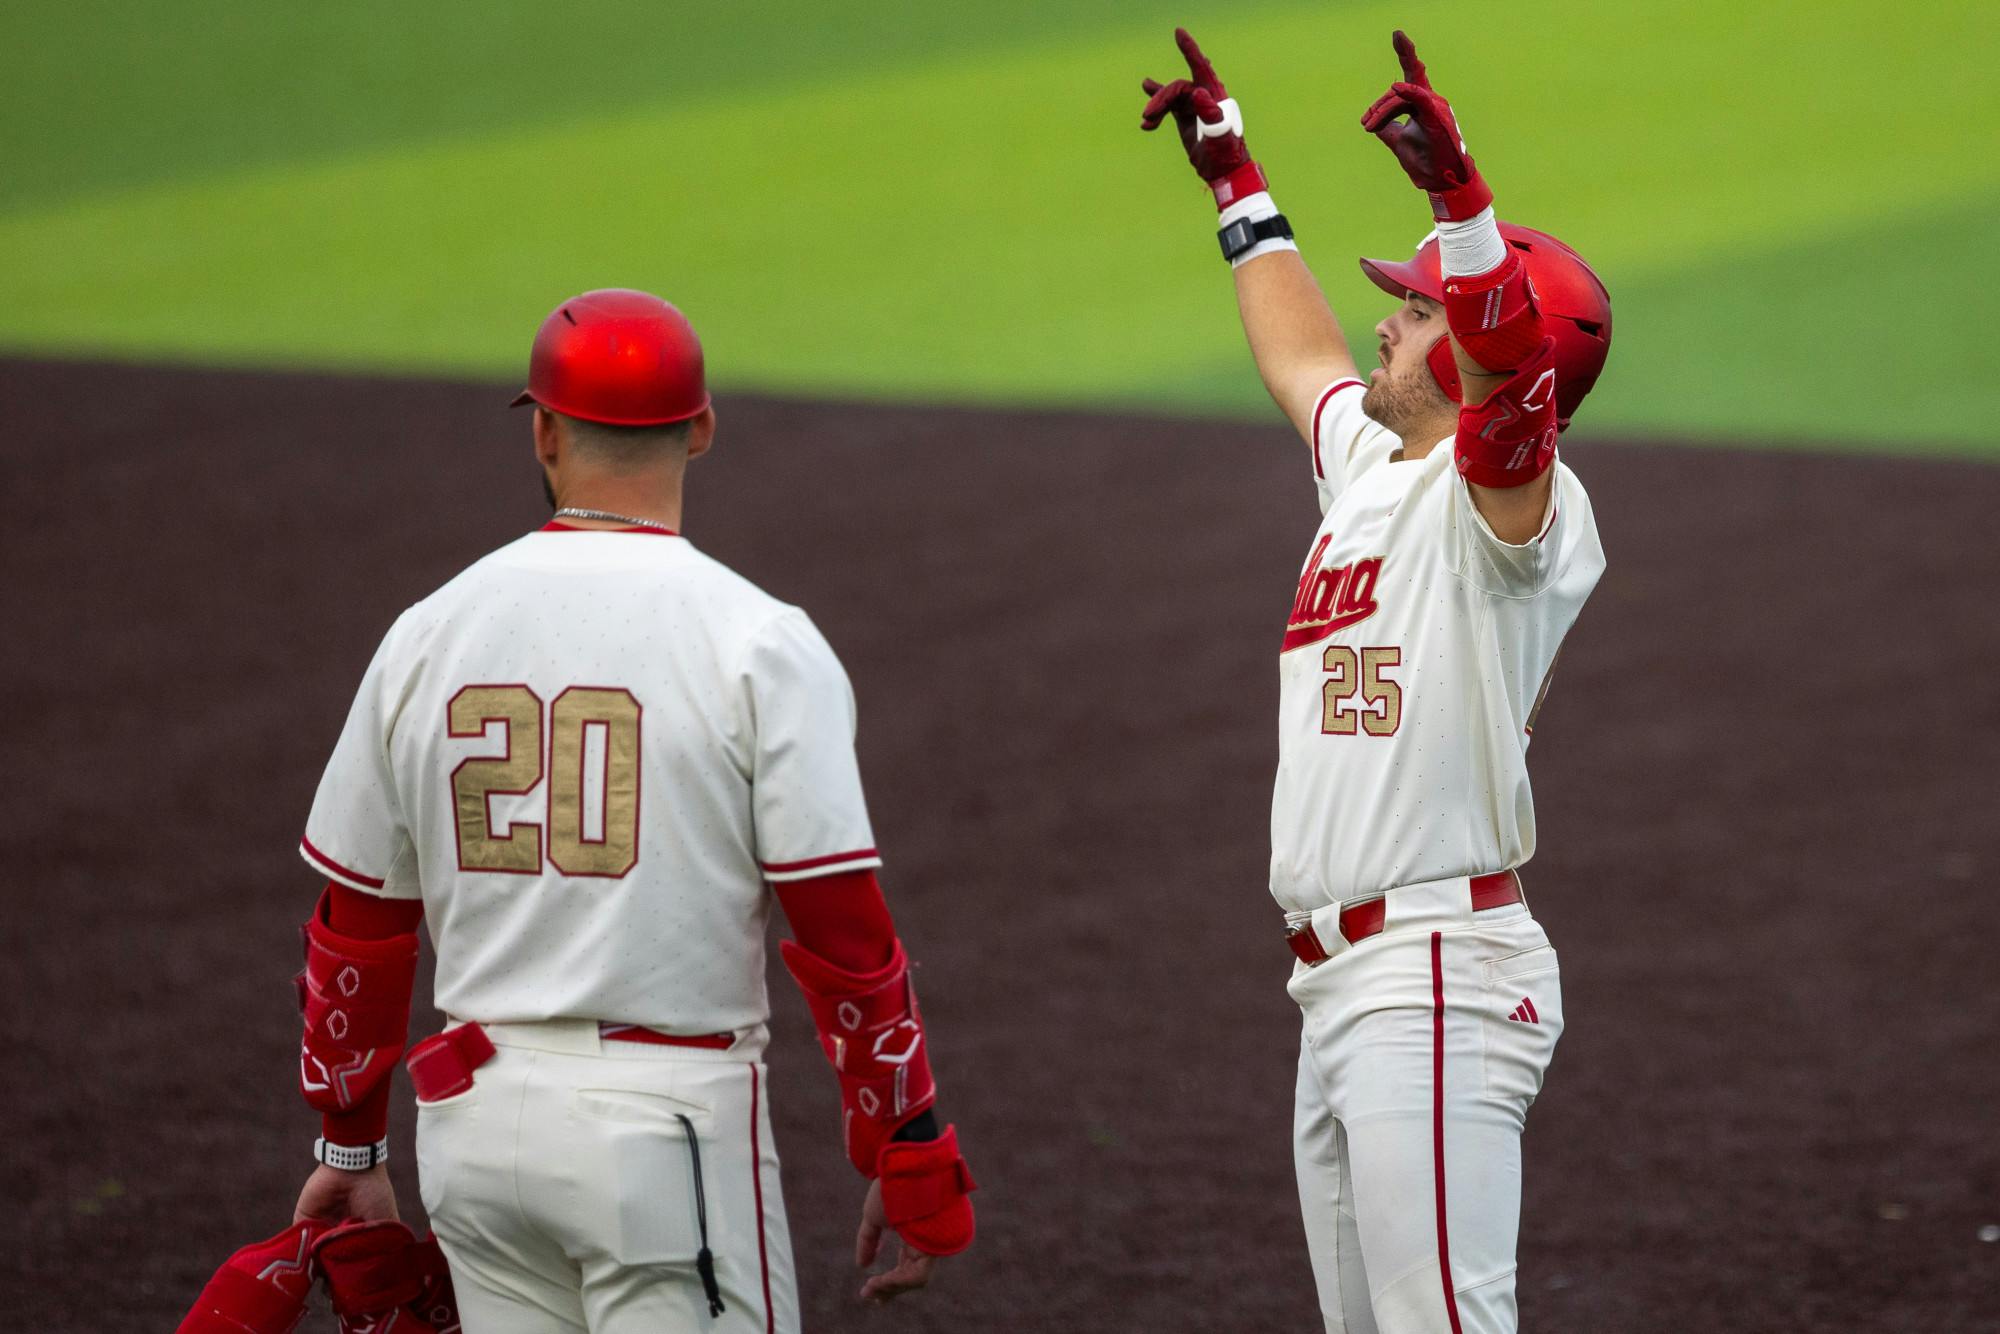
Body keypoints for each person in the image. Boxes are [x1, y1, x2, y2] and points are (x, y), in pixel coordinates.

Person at [284, 288, 976, 1332]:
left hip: (470, 1126)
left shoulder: (426, 631)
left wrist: (348, 1147)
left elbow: (359, 926)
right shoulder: (757, 639)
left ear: (545, 431)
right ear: (700, 428)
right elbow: (841, 927)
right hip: (666, 1131)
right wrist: (905, 1135)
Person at [1141, 29, 1613, 1334]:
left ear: (1470, 345)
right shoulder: (1378, 475)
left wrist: (1463, 211)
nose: (1388, 318)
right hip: (1340, 983)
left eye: (1417, 308)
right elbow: (1299, 360)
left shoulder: (1514, 510)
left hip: (1437, 969)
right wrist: (1237, 182)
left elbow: (1515, 387)